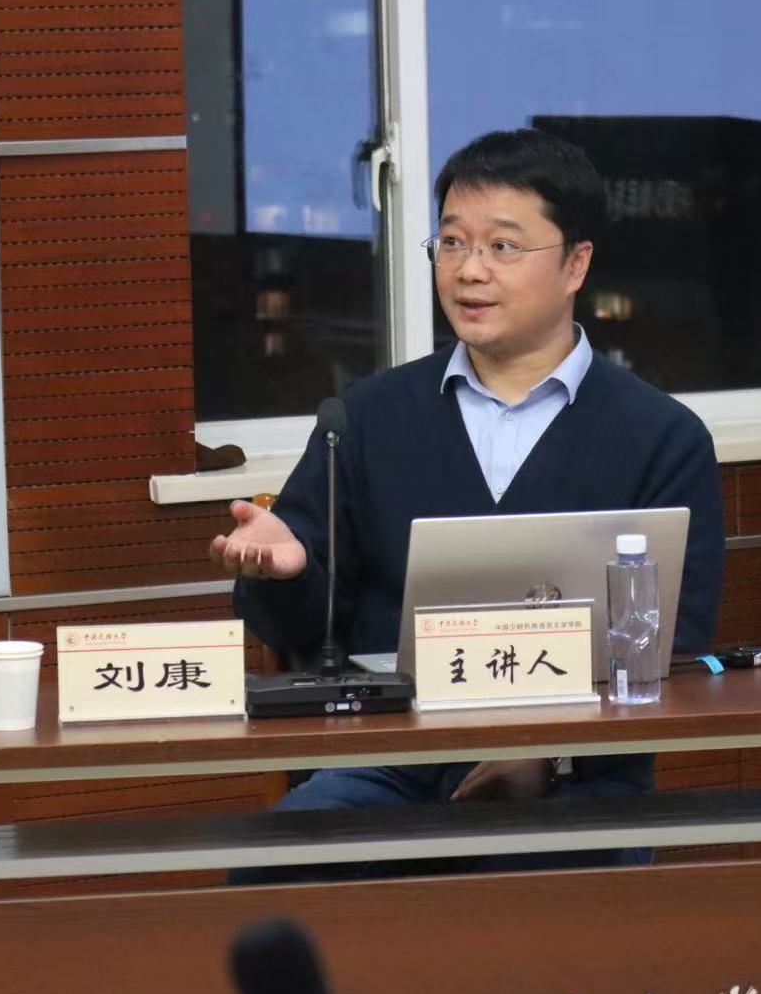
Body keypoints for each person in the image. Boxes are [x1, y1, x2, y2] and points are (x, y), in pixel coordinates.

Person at [211, 128, 725, 881]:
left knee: (518, 900)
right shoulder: (368, 417)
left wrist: (548, 757)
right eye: (451, 243)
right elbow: (302, 634)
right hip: (390, 763)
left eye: (502, 246)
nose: (469, 270)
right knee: (269, 871)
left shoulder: (661, 437)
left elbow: (677, 649)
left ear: (576, 263)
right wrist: (287, 572)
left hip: (578, 777)